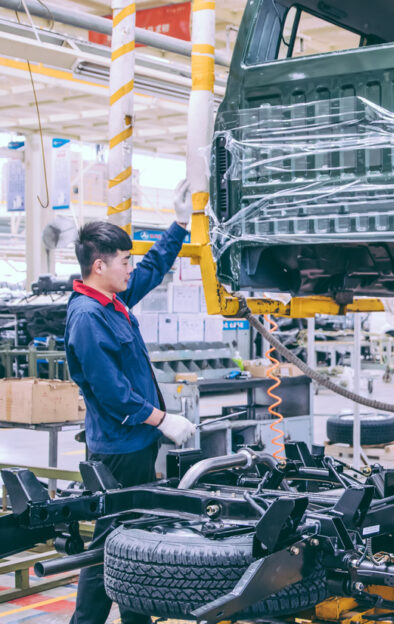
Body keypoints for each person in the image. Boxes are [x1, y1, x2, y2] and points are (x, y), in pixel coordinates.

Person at [66, 181, 198, 624]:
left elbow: (154, 268)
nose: (131, 268)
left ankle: (136, 619)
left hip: (135, 445)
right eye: (125, 261)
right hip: (118, 451)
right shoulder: (88, 318)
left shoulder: (113, 301)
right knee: (111, 543)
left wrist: (179, 224)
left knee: (134, 536)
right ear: (99, 265)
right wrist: (163, 420)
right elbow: (111, 393)